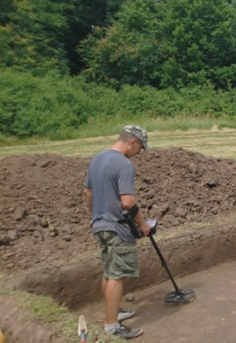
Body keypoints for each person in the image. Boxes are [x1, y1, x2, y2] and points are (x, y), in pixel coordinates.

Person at [83, 125, 151, 340]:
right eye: (139, 147)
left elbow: (87, 192)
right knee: (118, 276)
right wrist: (142, 224)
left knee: (109, 272)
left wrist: (96, 214)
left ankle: (114, 312)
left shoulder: (97, 159)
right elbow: (128, 201)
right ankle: (112, 327)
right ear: (132, 142)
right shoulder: (124, 164)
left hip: (100, 225)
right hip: (118, 227)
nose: (139, 153)